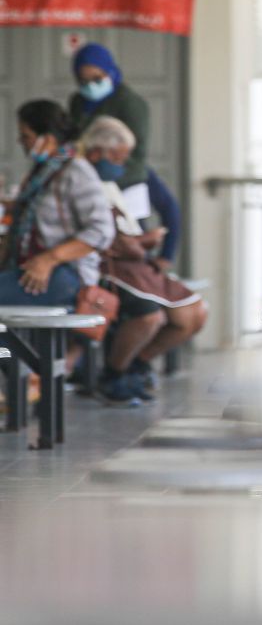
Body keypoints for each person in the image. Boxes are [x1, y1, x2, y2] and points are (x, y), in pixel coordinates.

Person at [79, 117, 207, 405]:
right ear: (98, 151)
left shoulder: (114, 180)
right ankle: (114, 374)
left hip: (135, 260)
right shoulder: (82, 178)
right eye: (118, 158)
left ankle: (136, 363)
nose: (122, 165)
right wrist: (141, 243)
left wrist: (153, 249)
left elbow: (167, 209)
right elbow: (103, 237)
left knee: (195, 314)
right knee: (150, 316)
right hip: (110, 266)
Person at [0, 100, 115, 307]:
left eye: (26, 136)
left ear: (48, 139)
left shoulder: (76, 171)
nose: (20, 141)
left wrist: (49, 259)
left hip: (64, 274)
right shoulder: (42, 173)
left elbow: (102, 230)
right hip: (29, 269)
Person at [68, 43, 152, 222]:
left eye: (97, 78)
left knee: (128, 232)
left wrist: (110, 168)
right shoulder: (78, 102)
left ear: (109, 72)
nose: (91, 86)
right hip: (89, 180)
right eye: (84, 81)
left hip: (125, 181)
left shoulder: (129, 103)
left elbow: (137, 150)